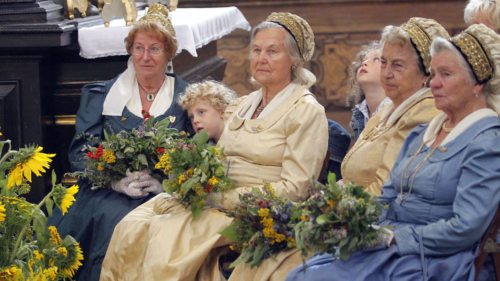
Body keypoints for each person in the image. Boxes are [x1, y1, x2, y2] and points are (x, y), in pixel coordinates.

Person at [100, 12, 328, 281]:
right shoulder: (244, 103)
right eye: (256, 50)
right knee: (131, 227)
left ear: (294, 60)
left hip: (258, 211)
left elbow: (296, 188)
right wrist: (193, 181)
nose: (261, 58)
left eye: (272, 51)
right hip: (214, 198)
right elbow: (218, 157)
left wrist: (219, 198)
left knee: (166, 239)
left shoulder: (306, 111)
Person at [287, 23, 500, 281]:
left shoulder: (486, 143)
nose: (435, 84)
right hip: (389, 245)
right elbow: (386, 198)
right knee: (303, 271)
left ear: (478, 84)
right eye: (434, 74)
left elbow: (466, 228)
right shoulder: (421, 134)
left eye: (446, 74)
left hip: (434, 258)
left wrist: (394, 238)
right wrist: (349, 223)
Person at [47, 4, 191, 280]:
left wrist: (167, 183)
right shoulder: (103, 94)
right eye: (138, 48)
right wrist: (114, 181)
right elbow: (81, 151)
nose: (145, 57)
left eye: (154, 49)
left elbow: (202, 151)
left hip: (166, 195)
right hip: (108, 192)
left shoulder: (186, 95)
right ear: (130, 50)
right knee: (113, 219)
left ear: (169, 53)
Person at [340, 17, 446, 196]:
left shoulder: (424, 112)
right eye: (383, 62)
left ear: (426, 73)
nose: (386, 73)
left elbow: (384, 192)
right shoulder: (387, 108)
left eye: (397, 65)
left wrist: (337, 211)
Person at [347, 41, 391, 141]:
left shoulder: (394, 111)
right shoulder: (359, 114)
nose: (364, 63)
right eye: (364, 60)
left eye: (376, 59)